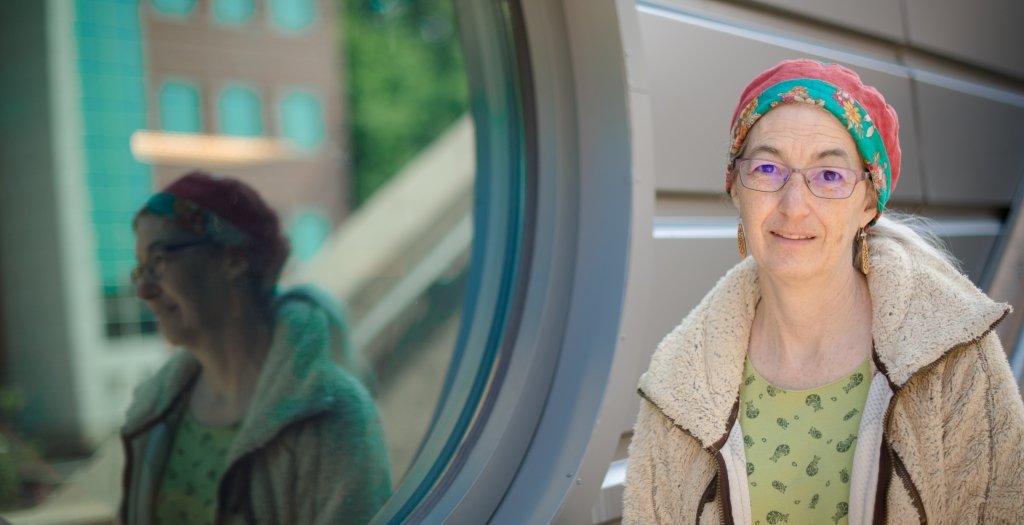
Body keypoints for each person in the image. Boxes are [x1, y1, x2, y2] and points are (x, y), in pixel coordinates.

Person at [623, 59, 1024, 524]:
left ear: (869, 204)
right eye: (769, 169)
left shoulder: (954, 360)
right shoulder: (677, 388)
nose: (794, 206)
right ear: (735, 189)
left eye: (829, 176)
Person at [120, 171, 392, 524]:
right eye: (141, 269)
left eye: (160, 260)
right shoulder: (153, 410)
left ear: (234, 259)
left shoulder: (333, 417)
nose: (144, 290)